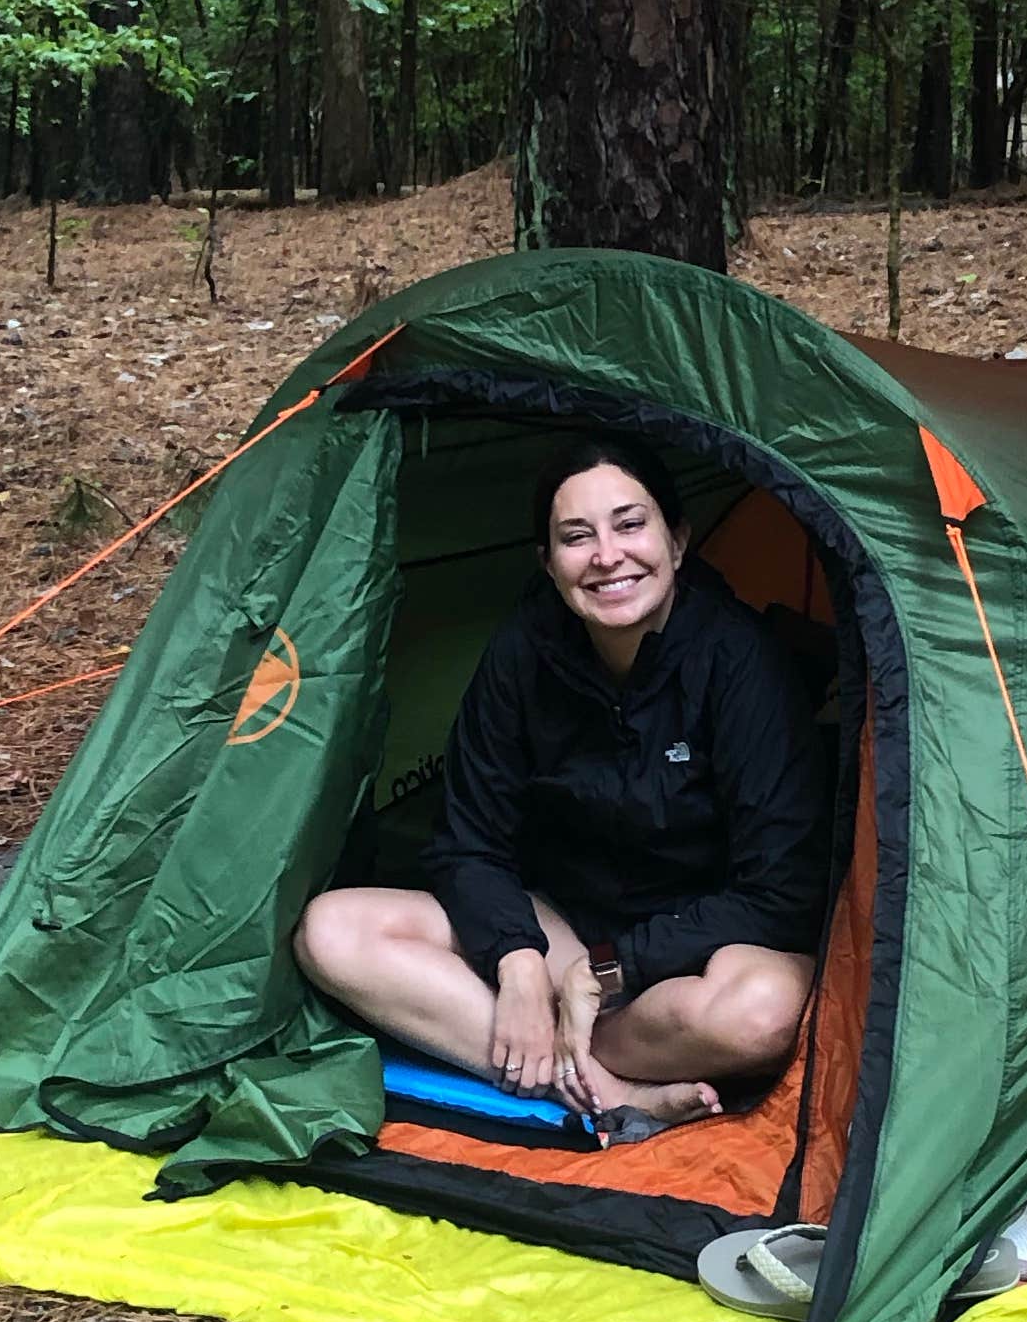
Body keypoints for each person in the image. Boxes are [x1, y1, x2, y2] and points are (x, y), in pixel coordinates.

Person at [295, 430, 829, 1124]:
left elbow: (781, 891)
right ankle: (607, 1091)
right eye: (577, 537)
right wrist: (517, 959)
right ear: (549, 564)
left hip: (693, 954)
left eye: (631, 525)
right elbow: (468, 841)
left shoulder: (739, 664)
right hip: (561, 934)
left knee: (761, 1014)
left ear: (677, 540)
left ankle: (572, 1049)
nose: (608, 556)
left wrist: (611, 970)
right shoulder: (525, 653)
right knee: (330, 931)